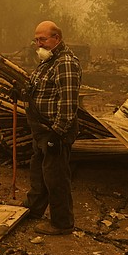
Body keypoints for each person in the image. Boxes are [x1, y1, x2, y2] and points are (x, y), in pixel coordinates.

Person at [22, 20, 82, 235]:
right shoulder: (47, 60)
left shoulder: (65, 63)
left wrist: (56, 134)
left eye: (43, 39)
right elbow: (42, 91)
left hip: (55, 130)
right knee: (38, 171)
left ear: (57, 38)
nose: (39, 43)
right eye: (36, 39)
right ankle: (34, 209)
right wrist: (22, 94)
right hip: (41, 129)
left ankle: (62, 223)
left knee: (56, 178)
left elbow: (68, 104)